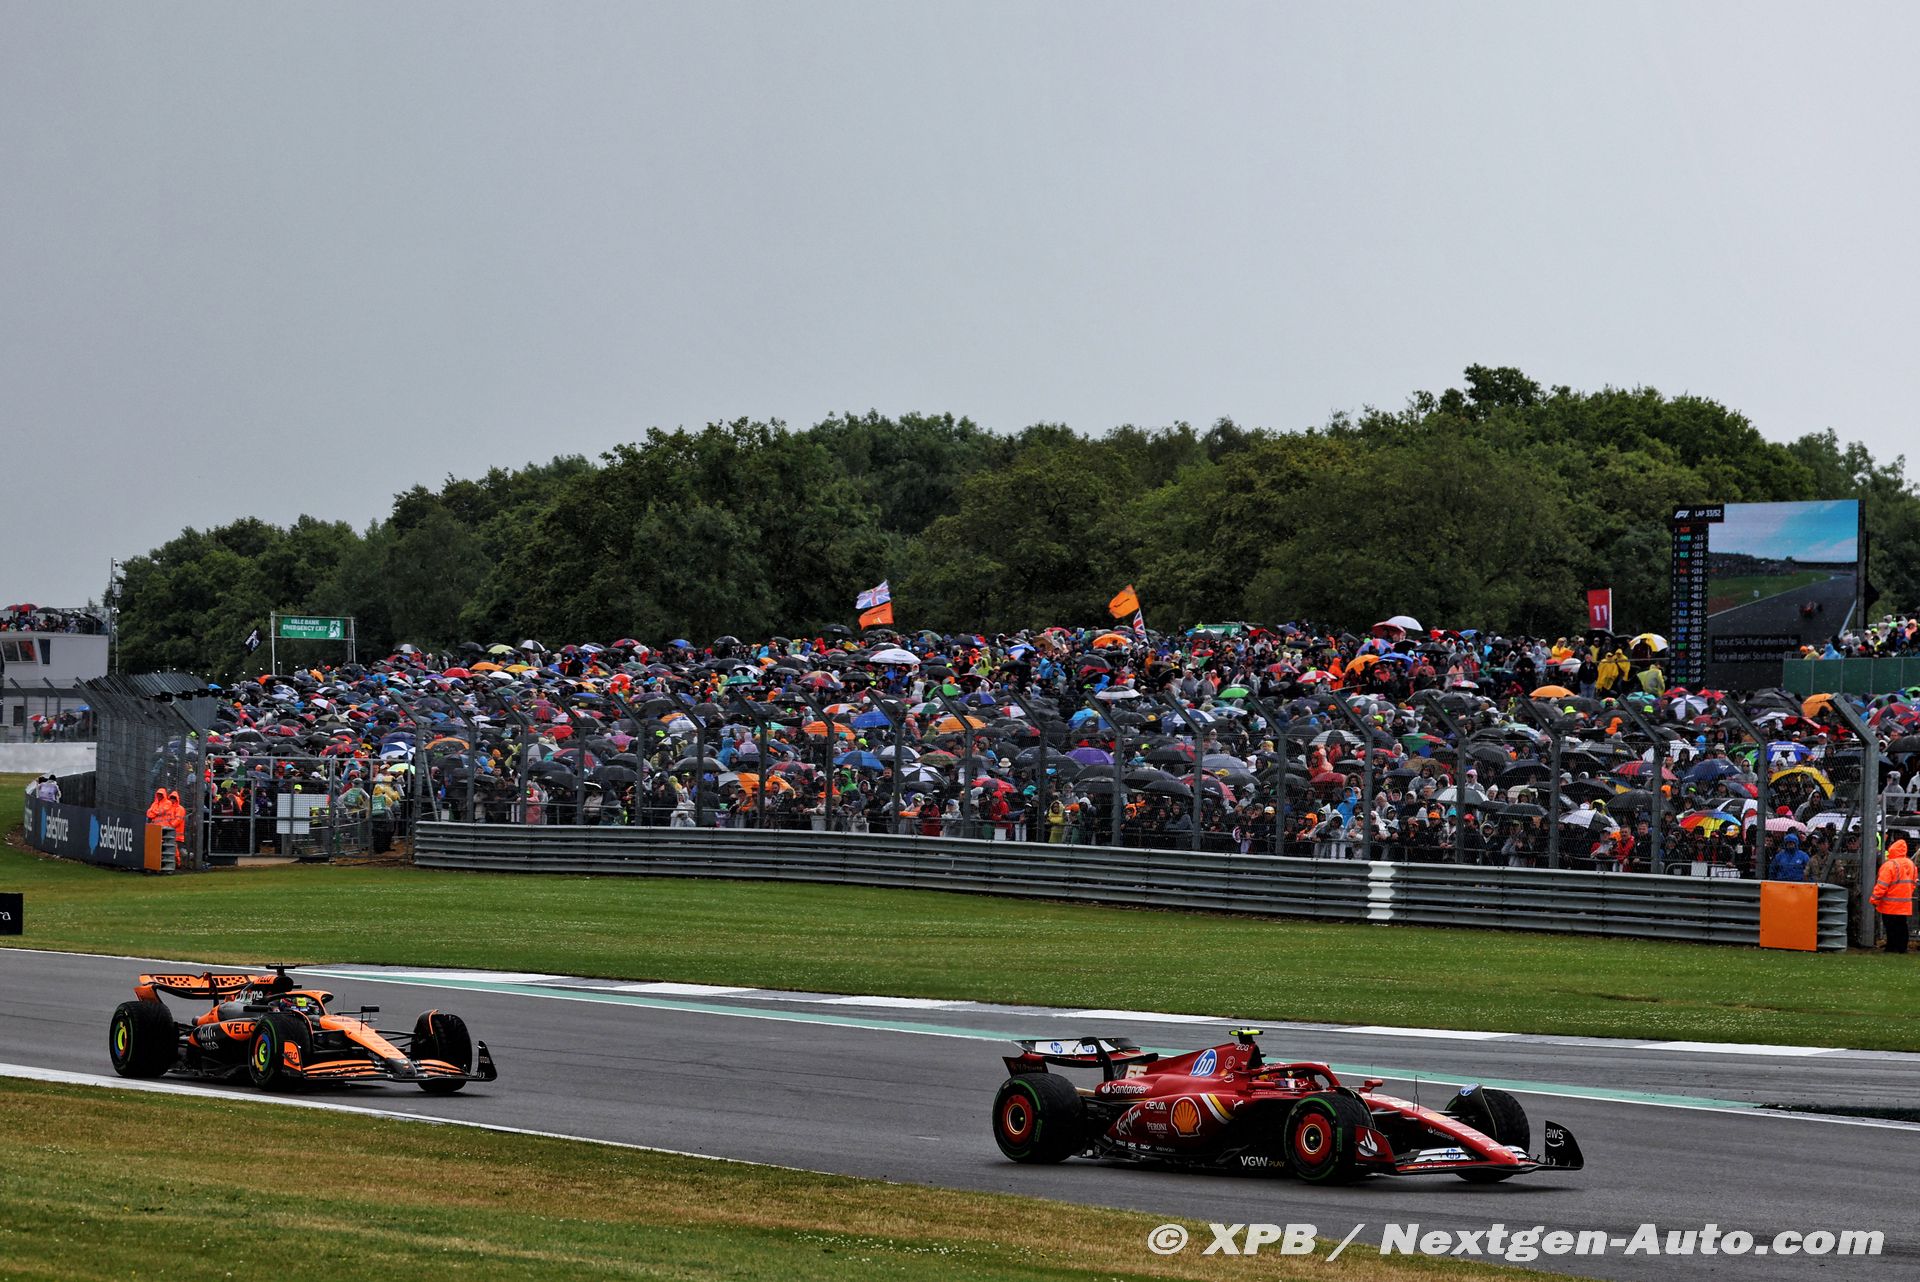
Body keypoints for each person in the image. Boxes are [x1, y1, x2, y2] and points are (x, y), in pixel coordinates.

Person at [1870, 838, 1915, 954]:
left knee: (1890, 927)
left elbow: (1882, 885)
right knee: (1902, 926)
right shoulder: (1911, 864)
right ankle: (1902, 948)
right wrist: (1906, 894)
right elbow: (1913, 883)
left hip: (1889, 904)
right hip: (1905, 903)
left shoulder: (1889, 865)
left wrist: (1874, 899)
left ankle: (1891, 947)